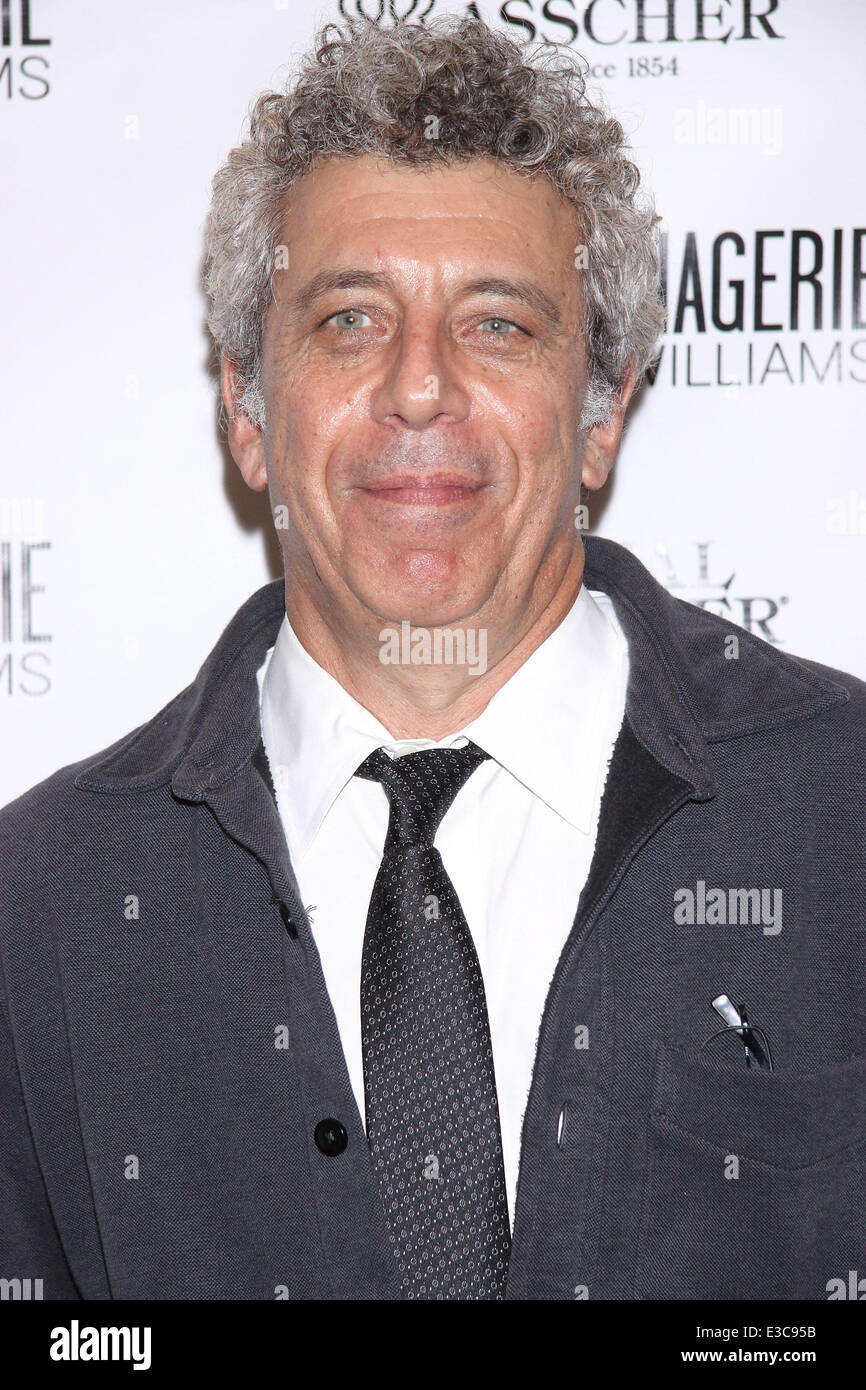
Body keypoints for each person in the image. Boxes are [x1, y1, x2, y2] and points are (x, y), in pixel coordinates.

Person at [1, 16, 863, 1302]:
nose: (418, 389)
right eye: (349, 320)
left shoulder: (840, 812)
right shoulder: (45, 906)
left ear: (600, 415)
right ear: (245, 409)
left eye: (499, 325)